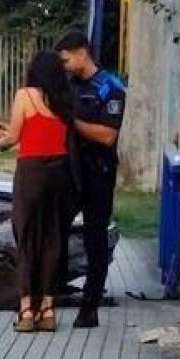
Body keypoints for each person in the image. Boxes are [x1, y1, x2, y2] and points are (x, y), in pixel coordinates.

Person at [0, 52, 76, 333]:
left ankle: (27, 309)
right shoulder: (65, 99)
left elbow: (13, 138)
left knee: (26, 237)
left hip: (32, 172)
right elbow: (48, 133)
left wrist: (0, 140)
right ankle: (48, 309)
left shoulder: (24, 95)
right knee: (52, 238)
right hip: (60, 171)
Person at [56, 30, 126, 329]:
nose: (64, 66)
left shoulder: (110, 88)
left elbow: (107, 135)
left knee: (94, 237)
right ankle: (54, 288)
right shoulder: (67, 86)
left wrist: (72, 122)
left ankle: (90, 305)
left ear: (82, 53)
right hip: (69, 170)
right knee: (54, 229)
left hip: (98, 172)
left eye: (66, 60)